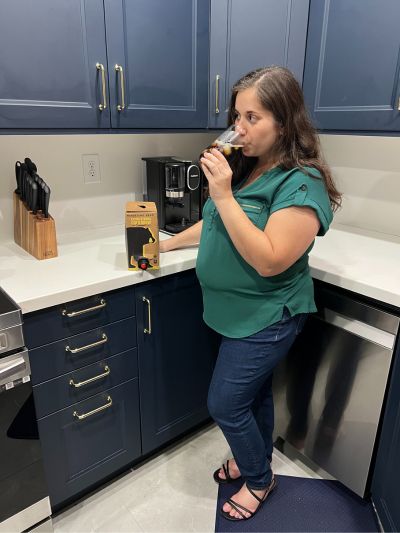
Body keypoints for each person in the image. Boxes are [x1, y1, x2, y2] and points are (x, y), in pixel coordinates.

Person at [159, 66, 341, 522]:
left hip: (268, 314)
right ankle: (251, 456)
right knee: (252, 395)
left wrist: (221, 193)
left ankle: (260, 479)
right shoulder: (248, 167)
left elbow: (271, 258)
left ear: (284, 120)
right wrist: (168, 242)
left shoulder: (302, 182)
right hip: (230, 311)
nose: (239, 129)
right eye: (237, 116)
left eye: (253, 118)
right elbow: (219, 224)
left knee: (225, 402)